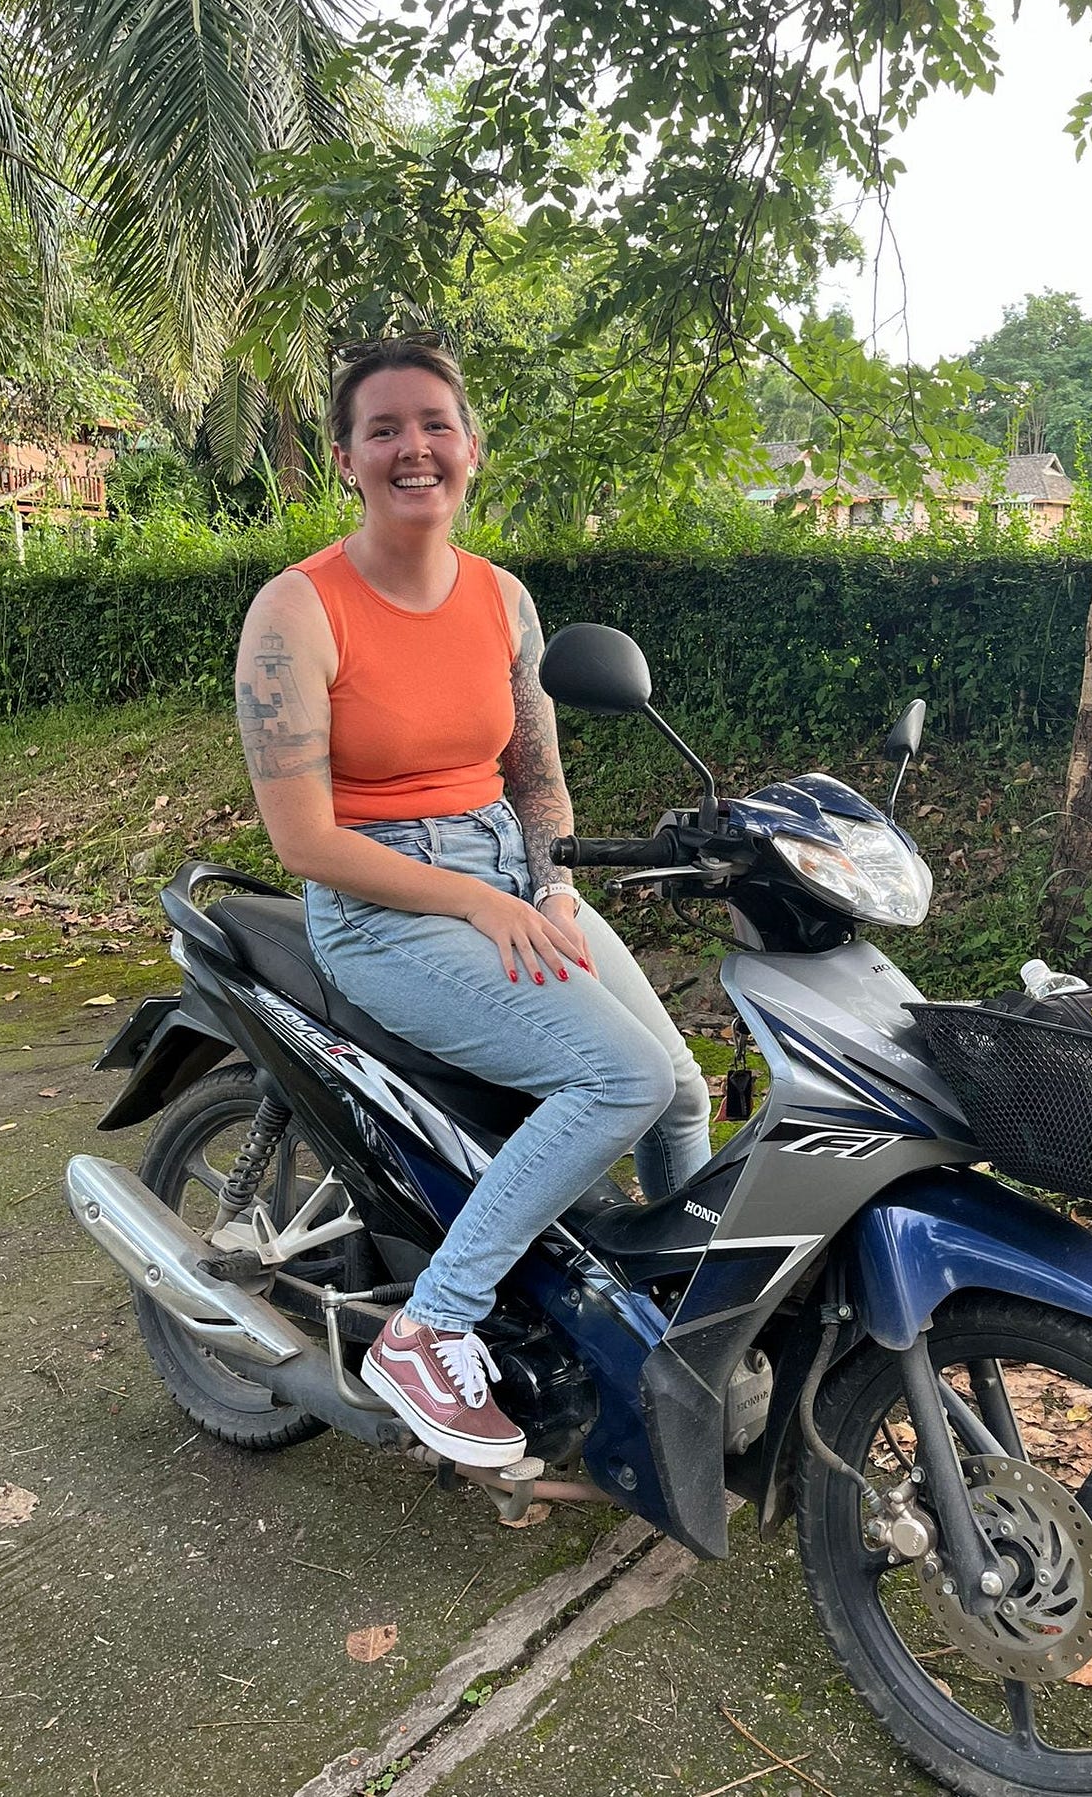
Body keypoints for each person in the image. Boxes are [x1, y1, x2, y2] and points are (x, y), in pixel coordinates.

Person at [234, 336, 714, 1469]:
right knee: (623, 1077)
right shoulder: (296, 613)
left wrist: (545, 881)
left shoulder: (503, 598)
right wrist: (470, 899)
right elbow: (302, 838)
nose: (415, 448)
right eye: (385, 429)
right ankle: (433, 1324)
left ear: (470, 450)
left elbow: (537, 778)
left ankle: (678, 1326)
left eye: (435, 425)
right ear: (348, 460)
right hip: (380, 907)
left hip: (505, 873)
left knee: (683, 1093)